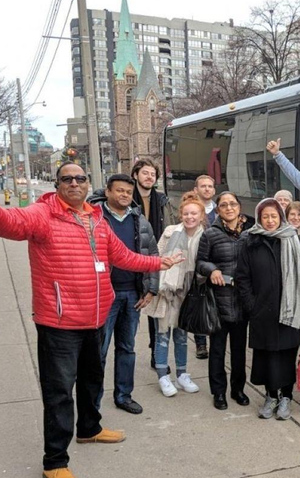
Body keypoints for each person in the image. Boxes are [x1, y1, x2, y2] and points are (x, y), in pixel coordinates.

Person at [0, 164, 182, 478]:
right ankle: (55, 462)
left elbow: (122, 256)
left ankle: (89, 428)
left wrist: (158, 262)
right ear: (57, 184)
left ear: (88, 184)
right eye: (66, 179)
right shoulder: (43, 214)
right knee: (59, 393)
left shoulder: (96, 218)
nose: (73, 183)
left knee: (91, 381)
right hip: (59, 322)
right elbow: (11, 223)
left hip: (95, 318)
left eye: (80, 178)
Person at [236, 198, 300, 420]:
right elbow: (242, 277)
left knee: (286, 355)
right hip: (263, 311)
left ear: (280, 217)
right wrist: (251, 305)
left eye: (274, 216)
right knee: (267, 357)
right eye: (265, 217)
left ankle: (286, 398)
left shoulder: (293, 239)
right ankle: (271, 396)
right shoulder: (251, 241)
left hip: (290, 309)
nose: (270, 221)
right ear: (259, 218)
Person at [88, 174, 159, 415]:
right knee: (100, 351)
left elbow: (151, 254)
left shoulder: (140, 220)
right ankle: (92, 403)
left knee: (127, 348)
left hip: (132, 294)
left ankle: (123, 395)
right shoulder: (93, 218)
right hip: (104, 295)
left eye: (128, 192)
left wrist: (151, 288)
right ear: (107, 192)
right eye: (119, 191)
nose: (124, 195)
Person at [141, 192, 205, 397]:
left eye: (194, 213)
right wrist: (152, 287)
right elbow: (156, 258)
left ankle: (182, 374)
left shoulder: (205, 235)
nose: (189, 217)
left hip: (188, 292)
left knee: (182, 336)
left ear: (201, 216)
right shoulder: (170, 232)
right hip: (165, 290)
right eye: (186, 213)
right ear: (181, 215)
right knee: (162, 336)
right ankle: (162, 375)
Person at [196, 191, 254, 410]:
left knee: (239, 351)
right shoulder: (210, 234)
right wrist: (211, 270)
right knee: (218, 350)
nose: (229, 208)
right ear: (218, 210)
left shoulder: (250, 233)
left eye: (233, 204)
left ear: (239, 208)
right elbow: (200, 261)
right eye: (224, 205)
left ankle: (238, 389)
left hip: (242, 302)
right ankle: (218, 392)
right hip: (218, 301)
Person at [131, 158, 174, 372]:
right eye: (145, 173)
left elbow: (167, 228)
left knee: (155, 307)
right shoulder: (127, 197)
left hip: (154, 258)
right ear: (136, 175)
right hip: (129, 257)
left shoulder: (161, 200)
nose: (149, 177)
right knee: (132, 306)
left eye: (153, 174)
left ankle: (156, 353)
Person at [192, 174, 218, 359]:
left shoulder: (220, 210)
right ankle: (201, 344)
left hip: (216, 261)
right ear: (196, 190)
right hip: (197, 260)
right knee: (199, 302)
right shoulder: (191, 210)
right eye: (203, 186)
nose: (207, 189)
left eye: (210, 186)